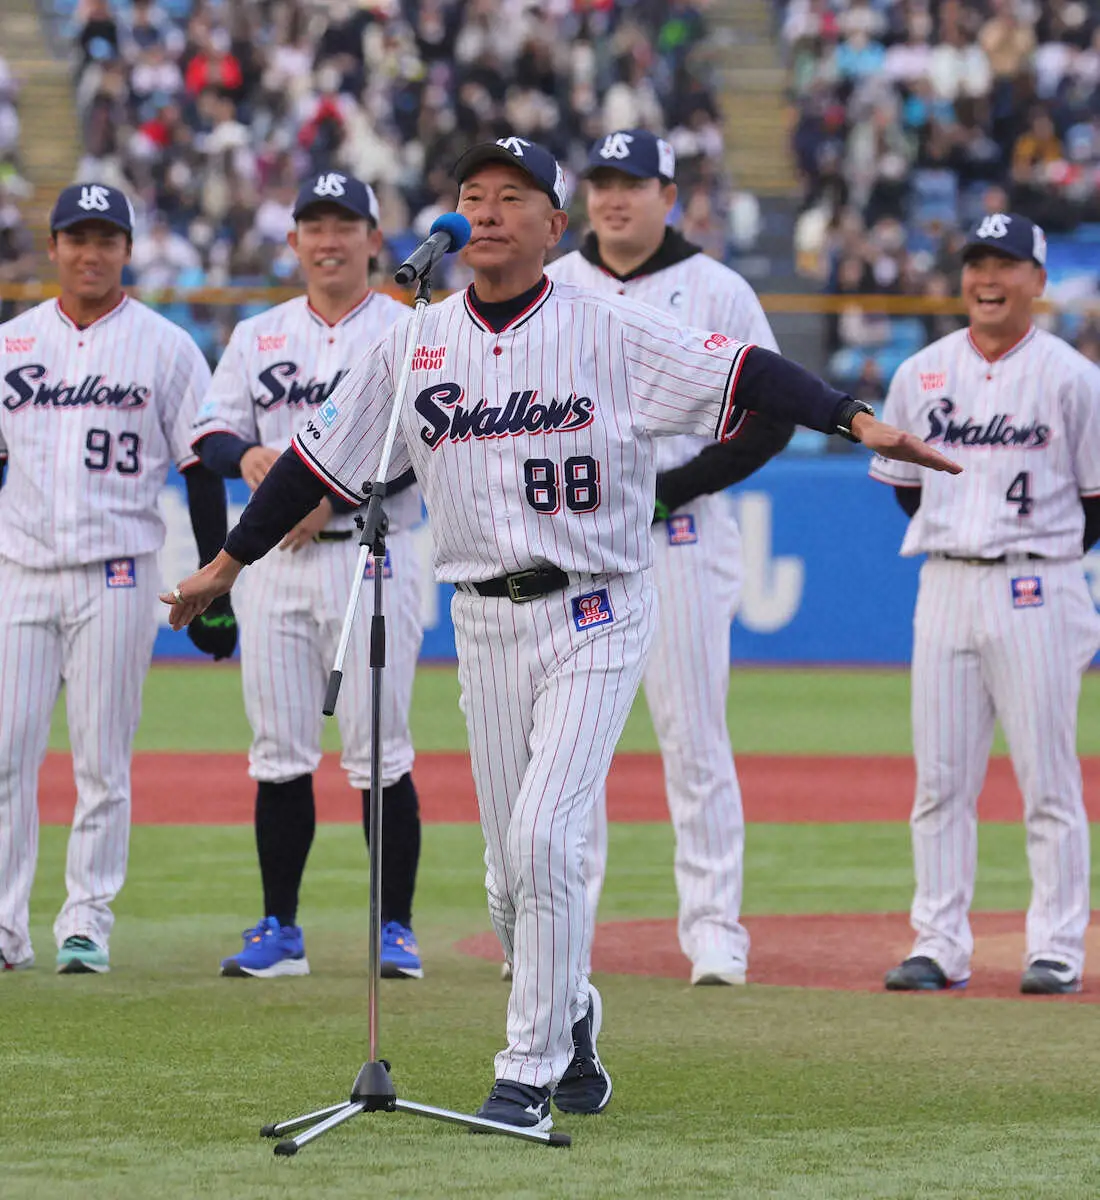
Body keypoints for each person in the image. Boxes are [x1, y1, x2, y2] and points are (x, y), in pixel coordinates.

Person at [161, 137, 959, 1130]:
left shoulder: (611, 325)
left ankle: (525, 1073)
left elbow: (746, 371)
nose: (486, 213)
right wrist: (227, 565)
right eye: (470, 197)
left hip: (596, 604)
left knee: (546, 836)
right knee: (508, 875)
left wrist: (851, 417)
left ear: (552, 224)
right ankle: (572, 1010)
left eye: (512, 197)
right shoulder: (413, 341)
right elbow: (315, 467)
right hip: (483, 623)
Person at [545, 129, 794, 987]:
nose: (615, 198)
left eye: (634, 183)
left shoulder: (717, 288)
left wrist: (676, 487)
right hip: (576, 548)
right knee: (573, 749)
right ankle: (561, 930)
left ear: (670, 196)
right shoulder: (554, 285)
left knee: (692, 737)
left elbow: (772, 414)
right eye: (603, 181)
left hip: (678, 538)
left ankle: (715, 927)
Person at [191, 171, 426, 981]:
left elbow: (425, 440)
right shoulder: (258, 336)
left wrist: (323, 498)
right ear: (292, 242)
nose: (328, 240)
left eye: (345, 225)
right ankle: (279, 929)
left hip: (373, 554)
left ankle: (394, 929)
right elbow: (211, 434)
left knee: (378, 752)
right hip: (274, 569)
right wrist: (249, 455)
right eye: (313, 226)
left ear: (372, 240)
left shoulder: (408, 327)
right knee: (279, 750)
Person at [0, 183, 232, 975]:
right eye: (76, 237)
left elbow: (201, 469)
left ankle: (86, 920)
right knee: (6, 752)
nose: (90, 252)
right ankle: (4, 928)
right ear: (55, 248)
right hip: (22, 571)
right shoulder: (13, 343)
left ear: (127, 249)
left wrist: (213, 578)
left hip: (119, 572)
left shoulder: (168, 347)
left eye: (106, 238)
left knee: (101, 757)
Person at [870, 212, 1100, 996]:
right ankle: (937, 941)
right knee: (939, 780)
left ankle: (1059, 946)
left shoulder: (1073, 376)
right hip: (944, 582)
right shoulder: (922, 371)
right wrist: (962, 538)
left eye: (1005, 265)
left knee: (1048, 780)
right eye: (976, 264)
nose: (987, 279)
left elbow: (1096, 501)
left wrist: (1037, 546)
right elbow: (906, 494)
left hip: (1038, 582)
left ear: (1038, 280)